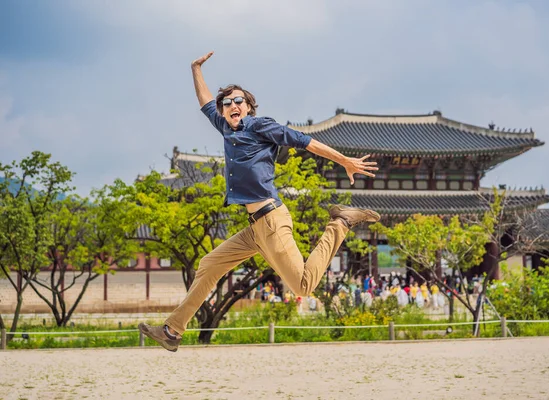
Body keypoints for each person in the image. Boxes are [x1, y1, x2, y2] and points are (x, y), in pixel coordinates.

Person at [138, 51, 381, 351]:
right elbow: (204, 102)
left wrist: (344, 160)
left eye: (238, 101)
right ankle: (173, 332)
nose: (232, 106)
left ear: (249, 107)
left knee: (303, 285)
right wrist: (195, 69)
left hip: (271, 219)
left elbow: (304, 141)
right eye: (226, 103)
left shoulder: (260, 126)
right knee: (209, 264)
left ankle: (341, 222)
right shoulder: (227, 128)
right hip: (254, 229)